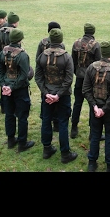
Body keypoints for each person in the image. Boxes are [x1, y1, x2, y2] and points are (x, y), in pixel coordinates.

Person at [35, 28, 78, 164]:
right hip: (62, 95)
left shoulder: (42, 55)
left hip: (47, 94)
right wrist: (58, 94)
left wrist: (45, 92)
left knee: (46, 120)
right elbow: (69, 78)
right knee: (63, 122)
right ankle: (65, 153)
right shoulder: (66, 56)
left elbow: (38, 76)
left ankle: (47, 149)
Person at [83, 40, 110, 172]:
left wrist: (95, 107)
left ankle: (92, 163)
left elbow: (86, 89)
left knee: (95, 135)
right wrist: (104, 109)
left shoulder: (91, 67)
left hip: (95, 109)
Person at [0, 28, 35, 152]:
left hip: (6, 89)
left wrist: (4, 85)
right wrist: (11, 87)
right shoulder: (22, 55)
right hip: (19, 90)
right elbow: (24, 75)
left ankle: (10, 139)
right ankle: (22, 143)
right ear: (20, 39)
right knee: (22, 116)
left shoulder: (2, 53)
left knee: (9, 114)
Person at [70, 22, 102, 139]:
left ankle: (74, 127)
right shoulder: (96, 45)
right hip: (92, 79)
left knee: (77, 103)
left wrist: (77, 72)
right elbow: (99, 63)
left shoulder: (76, 44)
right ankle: (92, 131)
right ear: (93, 32)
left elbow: (73, 61)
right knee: (92, 104)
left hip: (79, 77)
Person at [35, 21, 64, 132]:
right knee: (56, 102)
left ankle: (45, 117)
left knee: (45, 97)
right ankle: (56, 122)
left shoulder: (42, 43)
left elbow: (38, 58)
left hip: (44, 73)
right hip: (56, 75)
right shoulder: (60, 44)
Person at [0, 11, 20, 113]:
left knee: (4, 82)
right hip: (12, 60)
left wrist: (0, 58)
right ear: (15, 22)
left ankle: (3, 106)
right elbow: (17, 49)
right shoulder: (14, 32)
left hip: (2, 59)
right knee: (13, 81)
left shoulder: (1, 30)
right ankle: (13, 105)